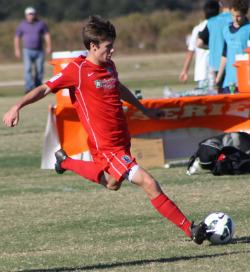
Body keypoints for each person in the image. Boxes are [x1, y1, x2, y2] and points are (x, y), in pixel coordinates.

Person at [3, 16, 207, 245]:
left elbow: (118, 88)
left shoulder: (109, 65)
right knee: (149, 183)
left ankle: (65, 162)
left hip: (121, 140)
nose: (113, 50)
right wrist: (16, 106)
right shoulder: (77, 70)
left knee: (112, 183)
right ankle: (190, 228)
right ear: (93, 46)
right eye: (108, 46)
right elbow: (44, 89)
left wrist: (143, 110)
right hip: (107, 145)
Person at [179, 0, 220, 90]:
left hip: (201, 73)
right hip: (217, 72)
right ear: (218, 11)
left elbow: (191, 51)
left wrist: (185, 71)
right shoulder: (221, 26)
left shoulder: (197, 28)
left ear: (205, 12)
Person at [14, 6, 52, 93]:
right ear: (26, 15)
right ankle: (29, 88)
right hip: (27, 50)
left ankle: (38, 88)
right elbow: (17, 37)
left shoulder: (41, 23)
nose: (30, 16)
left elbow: (46, 35)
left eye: (32, 14)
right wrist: (17, 49)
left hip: (39, 50)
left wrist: (49, 46)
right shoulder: (22, 25)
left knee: (39, 70)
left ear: (35, 15)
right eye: (29, 14)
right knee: (27, 69)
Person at [197, 0, 232, 92]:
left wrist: (211, 47)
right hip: (234, 63)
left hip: (216, 65)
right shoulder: (238, 18)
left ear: (220, 4)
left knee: (221, 96)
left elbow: (199, 43)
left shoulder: (211, 22)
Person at [216, 0, 250, 93]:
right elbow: (225, 54)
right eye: (233, 16)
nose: (235, 19)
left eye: (238, 16)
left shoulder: (248, 29)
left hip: (245, 80)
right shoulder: (226, 30)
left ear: (245, 14)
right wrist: (218, 77)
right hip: (229, 81)